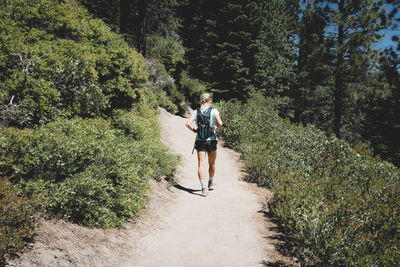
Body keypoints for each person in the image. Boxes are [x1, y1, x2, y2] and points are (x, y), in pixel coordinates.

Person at [185, 93, 223, 197]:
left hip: (200, 140)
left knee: (201, 164)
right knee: (212, 163)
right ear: (210, 101)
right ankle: (210, 182)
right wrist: (216, 128)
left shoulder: (196, 112)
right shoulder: (214, 111)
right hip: (211, 140)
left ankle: (203, 188)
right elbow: (220, 123)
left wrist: (194, 130)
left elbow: (187, 124)